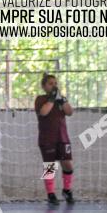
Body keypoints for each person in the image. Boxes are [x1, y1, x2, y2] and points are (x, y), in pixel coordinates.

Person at [35, 74, 75, 206]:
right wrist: (52, 98)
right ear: (44, 86)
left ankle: (67, 190)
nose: (54, 85)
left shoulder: (60, 99)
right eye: (50, 83)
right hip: (47, 138)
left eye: (55, 83)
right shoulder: (41, 99)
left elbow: (69, 112)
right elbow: (44, 112)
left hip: (62, 137)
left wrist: (62, 100)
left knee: (68, 164)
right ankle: (51, 194)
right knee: (50, 166)